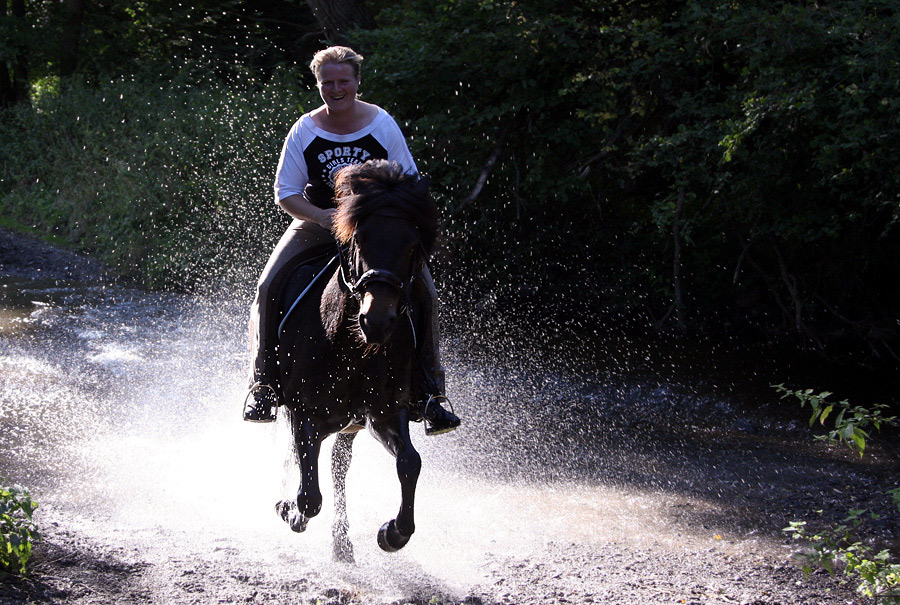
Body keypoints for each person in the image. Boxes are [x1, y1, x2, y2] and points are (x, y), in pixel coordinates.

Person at [244, 45, 460, 436]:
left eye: (344, 80)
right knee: (266, 286)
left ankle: (431, 394)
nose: (336, 88)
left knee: (425, 291)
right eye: (328, 82)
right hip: (318, 222)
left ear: (358, 81)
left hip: (373, 230)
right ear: (318, 84)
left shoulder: (382, 125)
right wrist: (324, 216)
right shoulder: (305, 129)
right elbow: (285, 192)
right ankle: (263, 383)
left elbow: (409, 183)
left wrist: (379, 217)